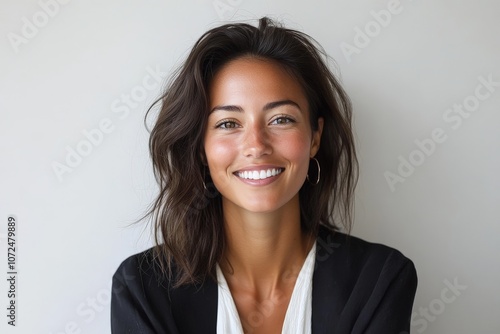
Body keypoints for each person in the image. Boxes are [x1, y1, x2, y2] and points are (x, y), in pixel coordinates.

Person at [111, 17, 417, 334]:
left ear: (314, 136)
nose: (256, 146)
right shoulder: (144, 290)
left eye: (281, 119)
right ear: (201, 147)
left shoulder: (379, 280)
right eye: (228, 123)